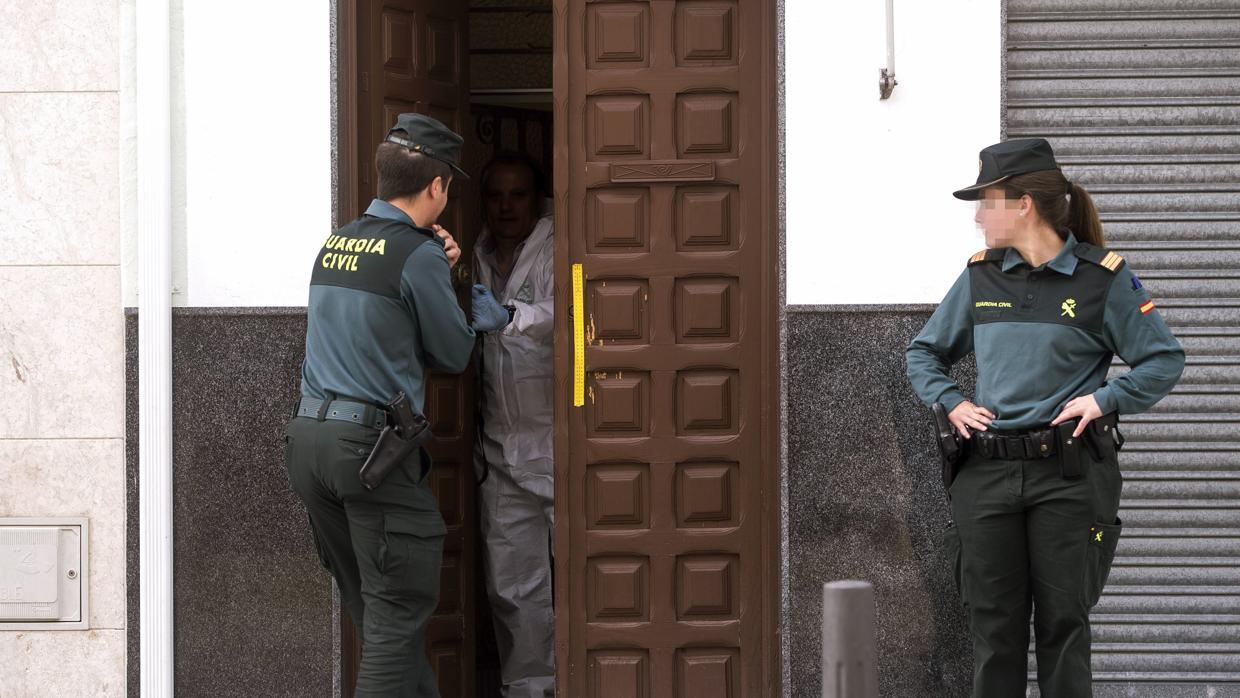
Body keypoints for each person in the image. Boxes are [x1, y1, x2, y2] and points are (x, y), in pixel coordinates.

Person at [906, 138, 1185, 698]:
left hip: (1069, 476)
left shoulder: (1103, 279)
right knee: (994, 631)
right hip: (986, 476)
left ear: (1023, 204)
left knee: (1063, 626)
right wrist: (953, 401)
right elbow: (923, 352)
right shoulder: (982, 278)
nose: (980, 217)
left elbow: (1163, 359)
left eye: (986, 202)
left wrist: (1105, 399)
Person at [285, 113, 506, 697]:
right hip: (369, 453)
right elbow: (452, 351)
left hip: (310, 442)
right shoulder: (419, 253)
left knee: (380, 615)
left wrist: (439, 269)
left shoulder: (339, 242)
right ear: (437, 186)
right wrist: (464, 294)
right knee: (395, 616)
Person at [469, 151, 556, 697]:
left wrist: (515, 319)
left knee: (598, 578)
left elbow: (580, 308)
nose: (506, 206)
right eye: (496, 195)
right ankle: (530, 693)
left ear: (536, 198)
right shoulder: (469, 254)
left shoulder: (560, 245)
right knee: (513, 589)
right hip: (500, 451)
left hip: (562, 445)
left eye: (517, 194)